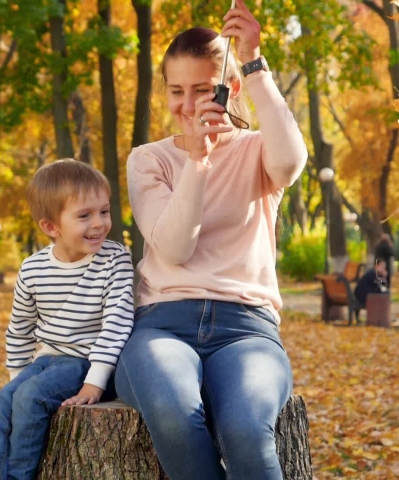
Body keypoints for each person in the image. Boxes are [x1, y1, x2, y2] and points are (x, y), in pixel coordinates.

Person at [116, 2, 308, 478]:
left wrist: (254, 60)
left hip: (247, 330)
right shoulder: (148, 160)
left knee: (245, 429)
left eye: (201, 90)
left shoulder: (257, 150)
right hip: (162, 327)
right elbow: (175, 248)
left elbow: (291, 162)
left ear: (228, 88)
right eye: (176, 91)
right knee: (173, 413)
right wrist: (197, 164)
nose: (187, 105)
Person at [0, 159, 134, 480]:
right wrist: (17, 379)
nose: (99, 223)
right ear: (51, 227)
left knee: (31, 398)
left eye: (104, 211)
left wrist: (95, 381)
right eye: (84, 216)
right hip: (45, 362)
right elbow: (20, 329)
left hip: (88, 362)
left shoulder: (114, 259)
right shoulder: (33, 269)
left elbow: (117, 323)